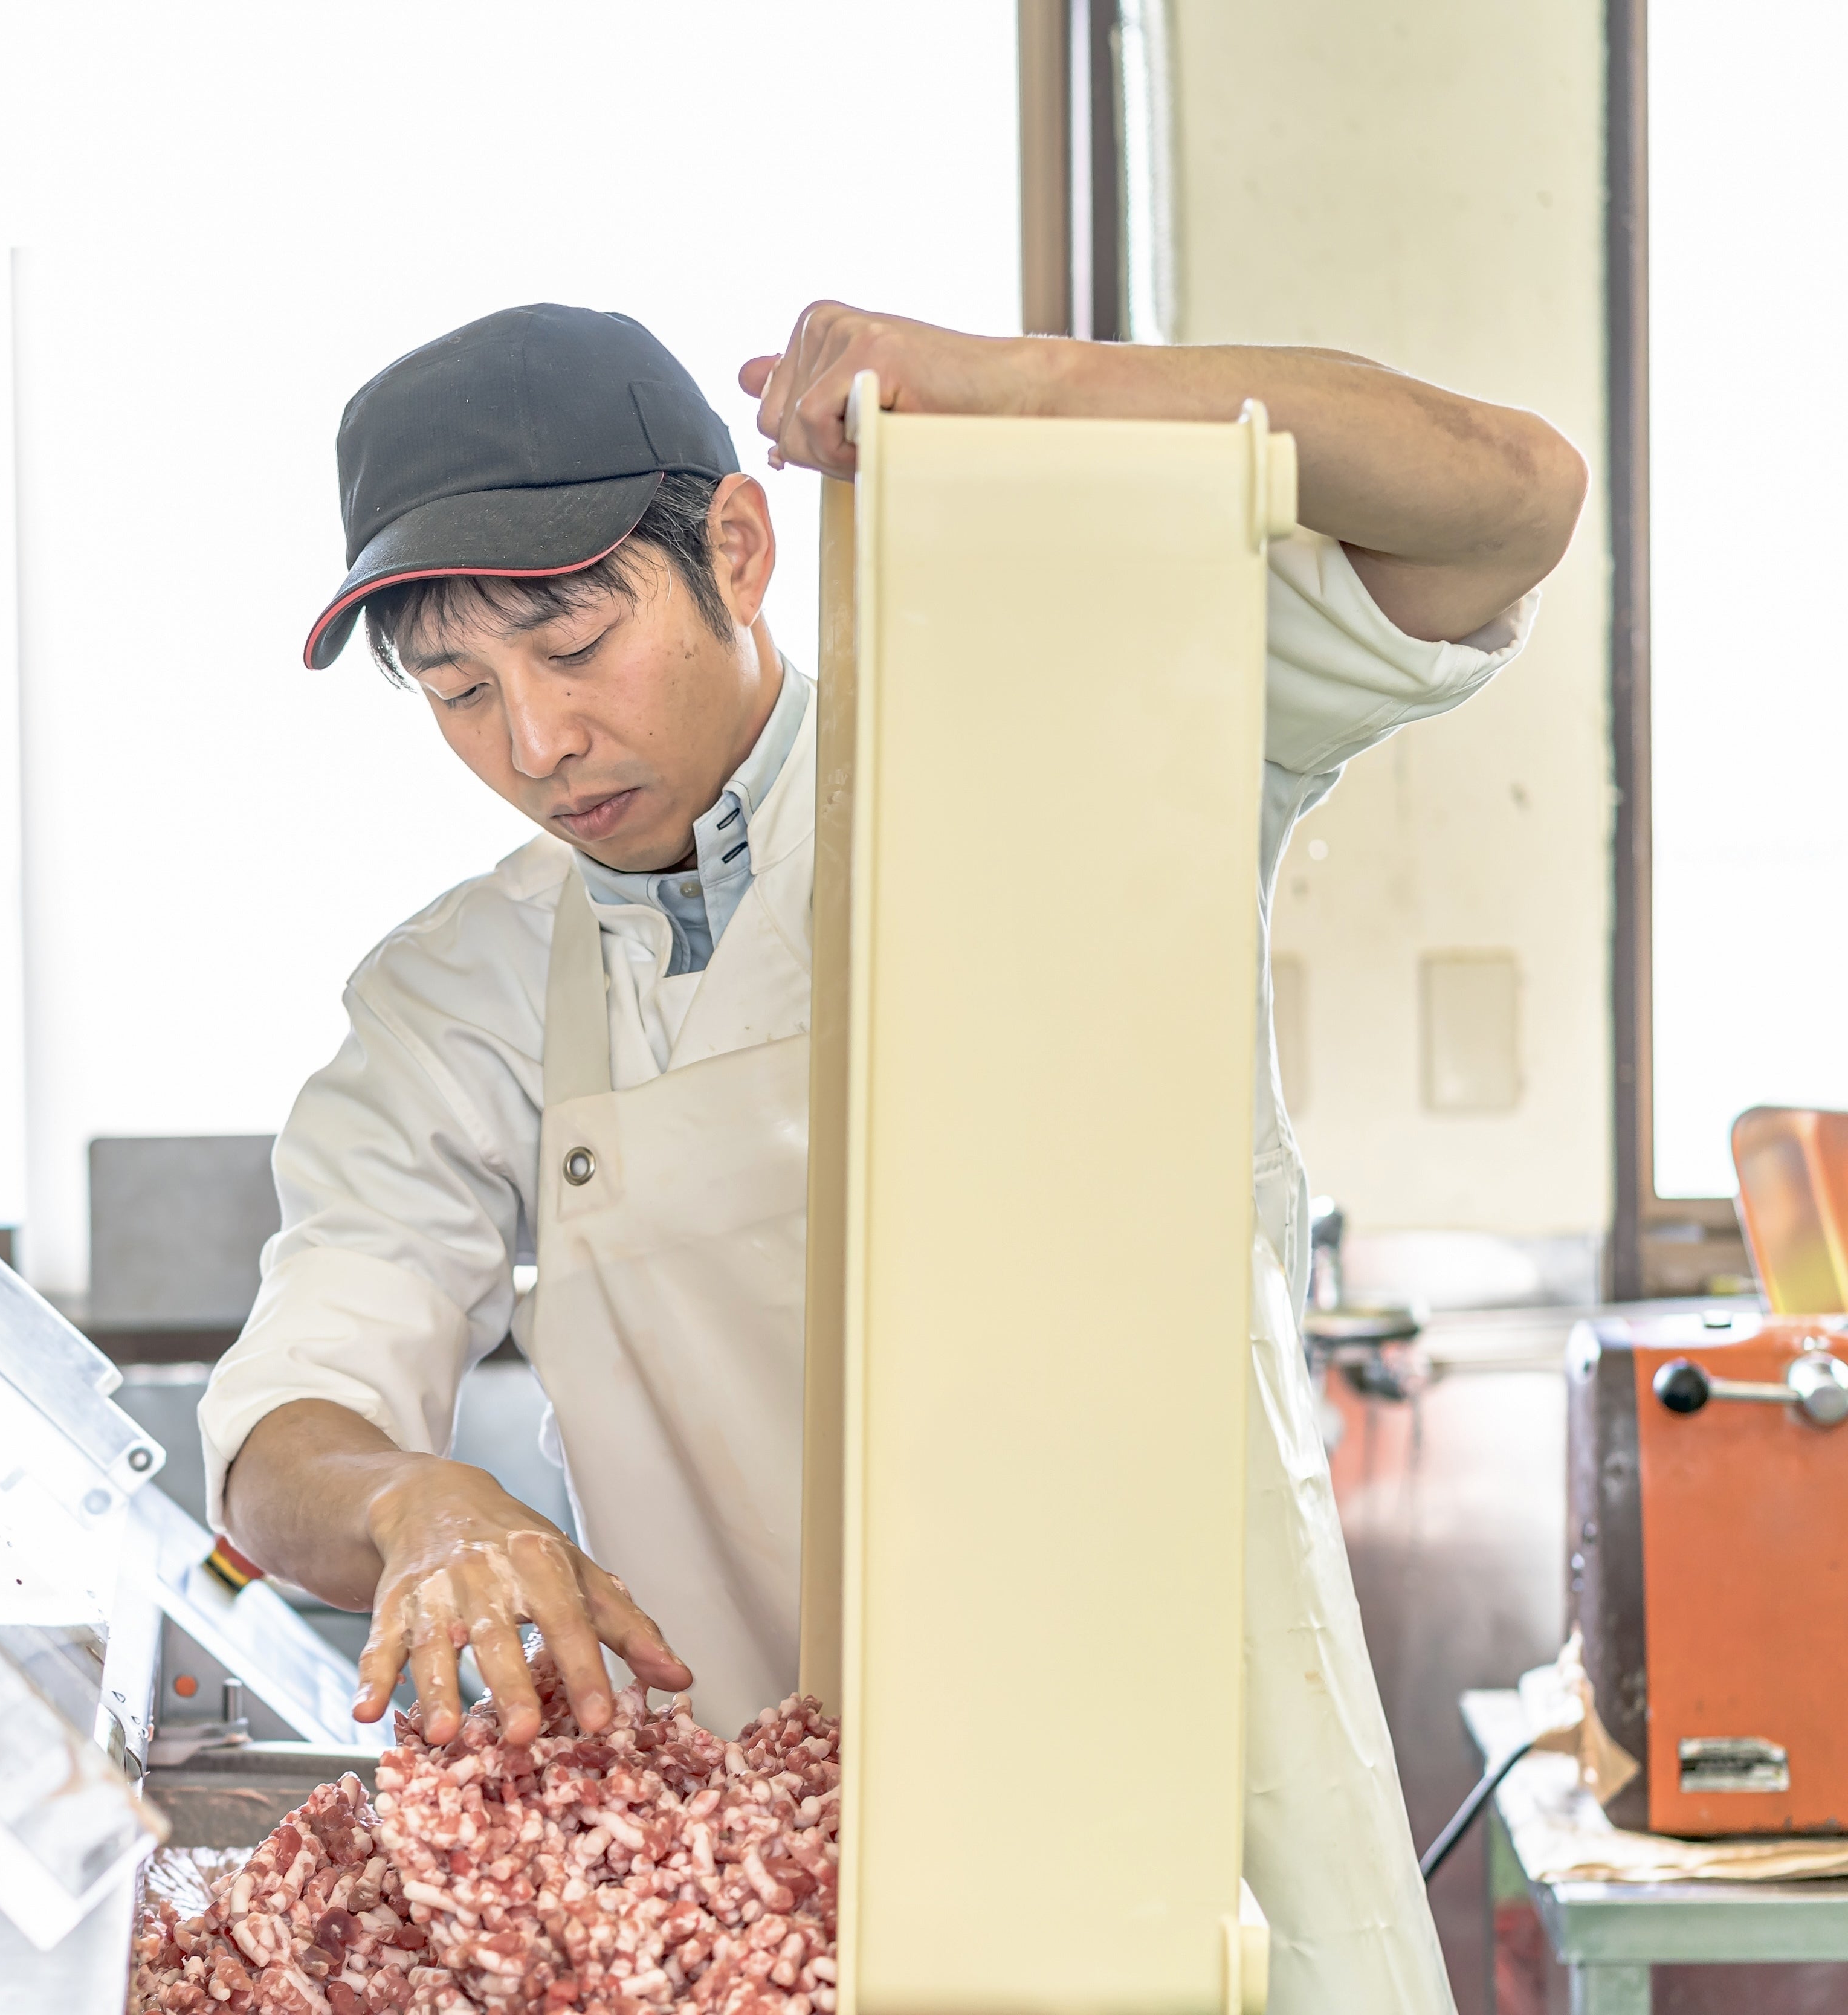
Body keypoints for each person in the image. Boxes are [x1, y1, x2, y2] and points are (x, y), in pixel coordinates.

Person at [201, 299, 1583, 2010]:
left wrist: (1035, 385)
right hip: (781, 1897)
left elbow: (1510, 499)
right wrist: (416, 1502)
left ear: (737, 546)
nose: (535, 744)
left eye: (574, 646)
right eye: (460, 692)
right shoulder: (461, 994)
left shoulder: (1069, 754)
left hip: (1176, 1819)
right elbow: (283, 1432)